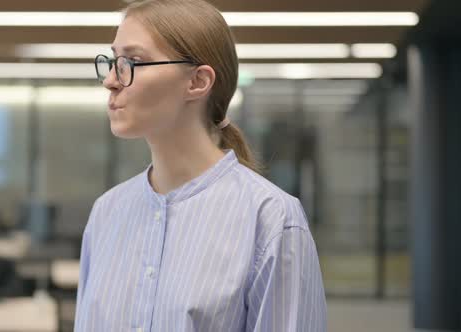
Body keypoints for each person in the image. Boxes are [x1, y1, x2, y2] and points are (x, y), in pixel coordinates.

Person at [75, 0, 327, 331]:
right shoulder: (107, 213)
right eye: (111, 61)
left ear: (197, 82)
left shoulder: (271, 219)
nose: (110, 79)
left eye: (132, 62)